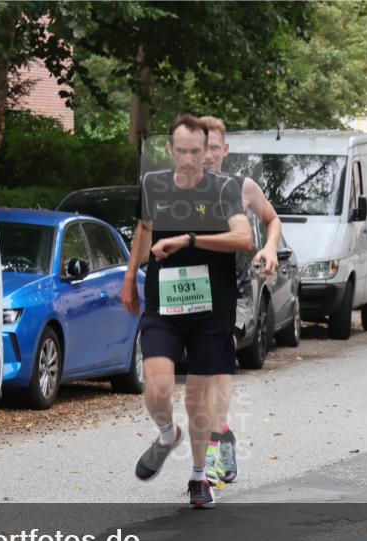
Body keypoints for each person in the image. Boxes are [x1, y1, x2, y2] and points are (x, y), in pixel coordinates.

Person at [121, 114, 253, 508]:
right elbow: (144, 229)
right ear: (170, 150)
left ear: (206, 149)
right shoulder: (153, 185)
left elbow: (244, 237)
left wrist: (188, 239)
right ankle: (166, 434)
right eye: (182, 151)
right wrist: (129, 279)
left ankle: (199, 477)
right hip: (165, 303)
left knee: (197, 401)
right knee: (157, 386)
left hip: (212, 311)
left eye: (196, 151)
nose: (189, 159)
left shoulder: (223, 189)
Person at [198, 115, 283, 487]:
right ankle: (224, 434)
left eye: (214, 147)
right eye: (200, 148)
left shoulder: (241, 186)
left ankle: (215, 454)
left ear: (225, 150)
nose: (207, 155)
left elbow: (272, 219)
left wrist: (269, 247)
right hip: (194, 293)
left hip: (235, 294)